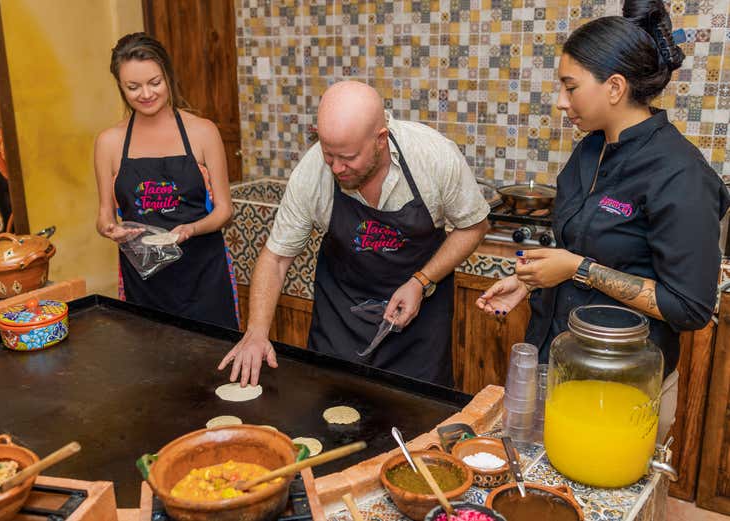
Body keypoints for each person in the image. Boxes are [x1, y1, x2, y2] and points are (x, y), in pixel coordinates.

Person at [476, 0, 730, 441]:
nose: (560, 102)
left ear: (614, 87)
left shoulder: (680, 174)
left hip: (621, 383)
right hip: (554, 360)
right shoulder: (589, 151)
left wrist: (579, 270)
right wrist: (534, 279)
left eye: (570, 87)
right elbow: (583, 244)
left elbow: (689, 308)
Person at [219, 81, 490, 387]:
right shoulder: (312, 173)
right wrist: (256, 332)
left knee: (420, 419)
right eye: (328, 154)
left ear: (381, 139)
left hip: (419, 324)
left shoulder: (434, 157)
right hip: (342, 319)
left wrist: (421, 280)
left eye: (347, 157)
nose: (336, 168)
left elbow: (474, 226)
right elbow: (277, 257)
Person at [94, 32, 239, 328]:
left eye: (154, 82)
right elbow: (104, 216)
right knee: (150, 365)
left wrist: (191, 229)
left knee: (212, 365)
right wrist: (111, 230)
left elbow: (225, 210)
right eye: (133, 87)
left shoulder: (202, 132)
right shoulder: (109, 142)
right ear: (120, 87)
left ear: (168, 77)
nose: (146, 94)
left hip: (204, 276)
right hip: (144, 282)